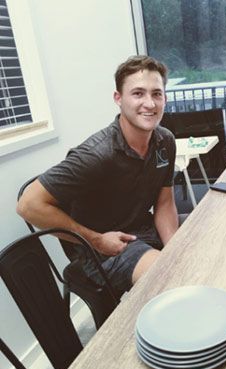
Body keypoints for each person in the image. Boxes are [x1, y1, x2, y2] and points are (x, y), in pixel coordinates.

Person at [16, 55, 178, 296]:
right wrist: (97, 240)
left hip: (142, 228)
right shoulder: (97, 154)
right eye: (138, 93)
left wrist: (176, 250)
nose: (150, 103)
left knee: (201, 242)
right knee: (170, 279)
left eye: (157, 94)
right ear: (118, 98)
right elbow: (28, 205)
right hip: (102, 249)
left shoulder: (165, 140)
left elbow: (164, 203)